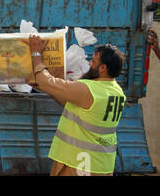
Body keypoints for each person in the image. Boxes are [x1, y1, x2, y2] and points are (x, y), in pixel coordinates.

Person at [28, 35, 126, 176]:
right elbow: (75, 106)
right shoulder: (117, 91)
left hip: (80, 164)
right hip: (102, 165)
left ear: (103, 68)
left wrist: (36, 53)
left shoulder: (89, 89)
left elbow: (45, 80)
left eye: (93, 61)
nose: (89, 63)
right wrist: (48, 90)